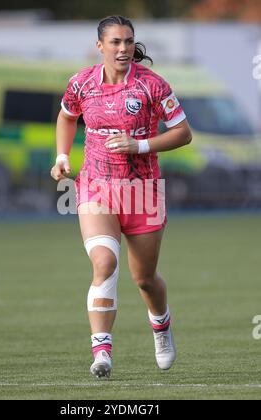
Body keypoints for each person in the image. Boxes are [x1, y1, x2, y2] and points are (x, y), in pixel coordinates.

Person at [51, 15, 192, 379]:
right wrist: (63, 156)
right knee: (104, 264)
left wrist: (139, 145)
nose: (123, 48)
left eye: (129, 41)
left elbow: (183, 133)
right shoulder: (81, 82)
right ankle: (102, 352)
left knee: (144, 279)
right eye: (115, 42)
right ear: (100, 46)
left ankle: (161, 326)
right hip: (95, 186)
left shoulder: (152, 85)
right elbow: (67, 118)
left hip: (142, 191)